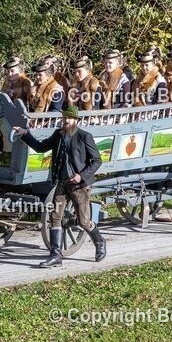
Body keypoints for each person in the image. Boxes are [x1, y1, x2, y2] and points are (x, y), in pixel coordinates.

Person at [11, 105, 105, 267]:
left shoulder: (84, 137)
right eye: (64, 118)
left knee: (83, 222)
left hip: (79, 186)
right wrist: (25, 134)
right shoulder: (58, 134)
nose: (65, 121)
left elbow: (97, 161)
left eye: (69, 118)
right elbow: (41, 147)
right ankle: (56, 255)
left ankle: (99, 241)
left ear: (75, 120)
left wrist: (81, 176)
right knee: (55, 217)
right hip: (61, 184)